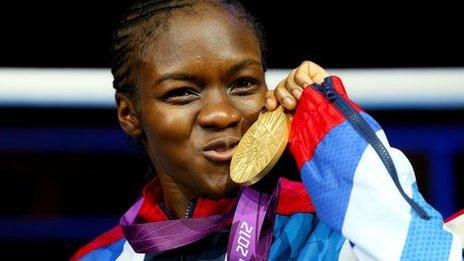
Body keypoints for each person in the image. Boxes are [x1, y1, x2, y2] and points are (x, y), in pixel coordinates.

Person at [71, 0, 463, 260]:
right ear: (130, 113)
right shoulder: (102, 256)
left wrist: (341, 141)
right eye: (183, 92)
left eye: (242, 84)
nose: (222, 114)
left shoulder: (327, 230)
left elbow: (423, 254)